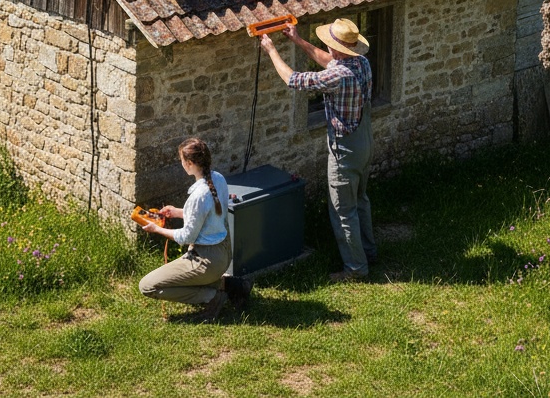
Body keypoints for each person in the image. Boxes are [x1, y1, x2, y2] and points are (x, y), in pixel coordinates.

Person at [260, 17, 377, 282]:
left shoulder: (338, 76)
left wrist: (272, 51)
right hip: (364, 142)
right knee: (360, 201)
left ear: (338, 48)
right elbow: (330, 62)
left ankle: (356, 270)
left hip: (345, 151)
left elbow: (294, 80)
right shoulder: (361, 63)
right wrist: (298, 40)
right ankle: (368, 252)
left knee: (343, 210)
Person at [138, 136, 232, 321]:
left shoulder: (199, 195)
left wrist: (156, 229)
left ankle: (212, 298)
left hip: (207, 260)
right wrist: (177, 212)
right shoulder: (218, 178)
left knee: (147, 286)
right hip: (224, 253)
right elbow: (209, 214)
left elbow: (186, 236)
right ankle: (231, 285)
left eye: (181, 160)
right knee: (187, 277)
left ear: (189, 163)